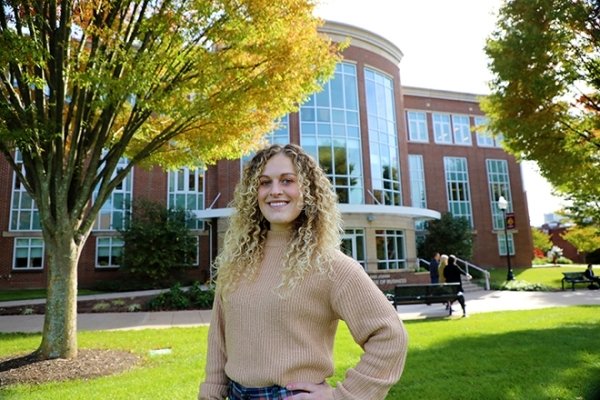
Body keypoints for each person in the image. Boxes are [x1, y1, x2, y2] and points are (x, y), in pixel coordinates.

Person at [199, 144, 408, 400]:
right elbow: (219, 338)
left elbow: (390, 335)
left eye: (287, 181)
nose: (275, 191)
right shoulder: (236, 261)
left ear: (308, 191)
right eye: (265, 183)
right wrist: (211, 392)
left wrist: (341, 397)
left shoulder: (331, 265)